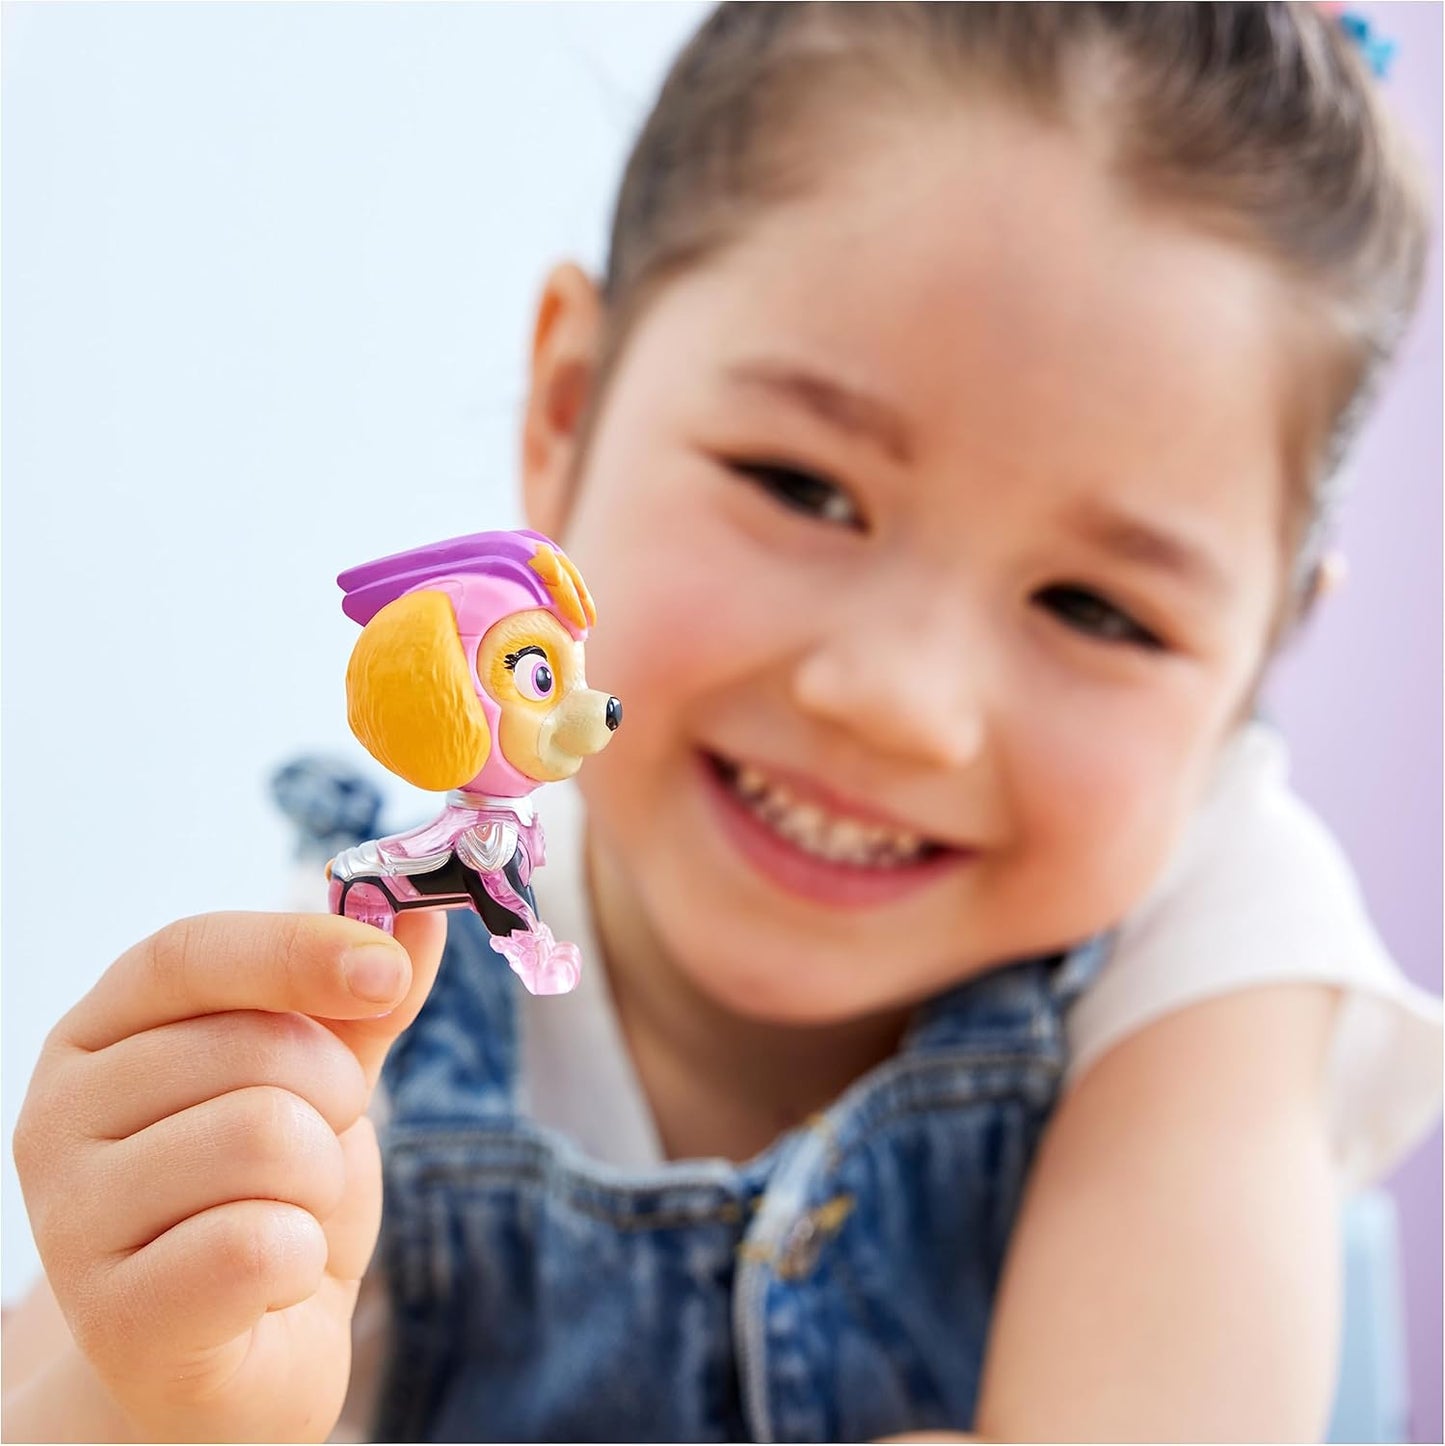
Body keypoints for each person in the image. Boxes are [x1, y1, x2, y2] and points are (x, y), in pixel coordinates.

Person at [5, 3, 1442, 1441]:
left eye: (1097, 609)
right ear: (566, 413)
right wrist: (162, 1393)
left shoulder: (1211, 946)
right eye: (802, 488)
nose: (901, 702)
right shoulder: (385, 972)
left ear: (1260, 658)